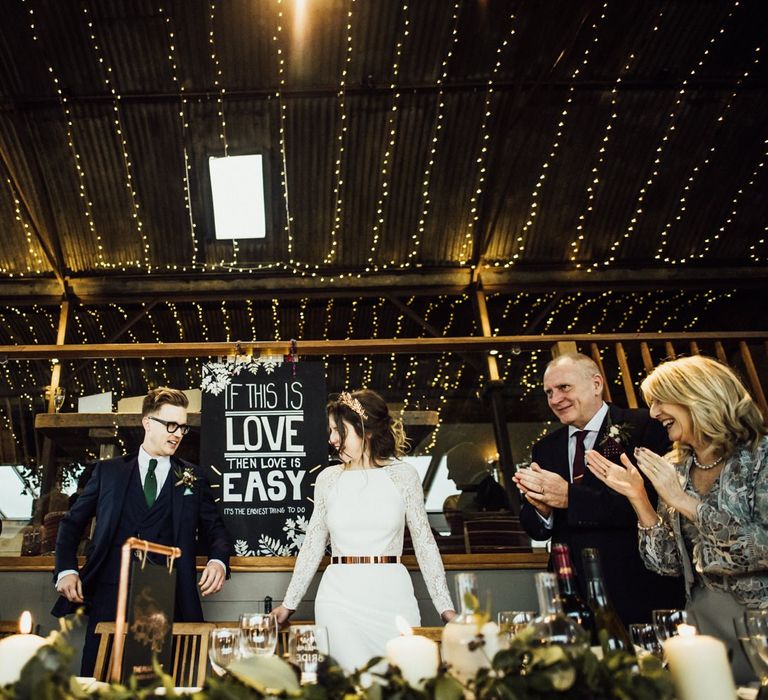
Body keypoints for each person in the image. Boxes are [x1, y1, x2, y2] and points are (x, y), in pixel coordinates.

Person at [586, 355, 767, 683]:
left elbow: (762, 547)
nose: (653, 413)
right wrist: (639, 498)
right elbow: (668, 563)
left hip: (763, 628)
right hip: (707, 629)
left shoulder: (761, 458)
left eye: (659, 401)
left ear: (697, 395)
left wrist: (686, 503)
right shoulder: (676, 467)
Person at [272, 389, 456, 671]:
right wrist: (289, 604)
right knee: (346, 684)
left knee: (401, 681)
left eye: (338, 430)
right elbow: (312, 545)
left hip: (392, 595)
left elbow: (425, 543)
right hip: (338, 600)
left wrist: (446, 608)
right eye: (331, 431)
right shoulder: (327, 479)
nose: (332, 439)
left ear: (365, 429)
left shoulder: (404, 475)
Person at [52, 387, 231, 675]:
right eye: (170, 425)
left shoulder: (193, 477)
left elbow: (216, 530)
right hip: (110, 594)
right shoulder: (108, 472)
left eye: (183, 427)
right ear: (147, 423)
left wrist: (218, 561)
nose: (178, 433)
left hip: (168, 597)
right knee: (100, 680)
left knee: (158, 684)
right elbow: (71, 524)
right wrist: (66, 570)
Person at [513, 352, 684, 625]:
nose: (555, 400)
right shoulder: (546, 448)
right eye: (548, 393)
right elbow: (536, 528)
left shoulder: (645, 426)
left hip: (635, 585)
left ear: (596, 384)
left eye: (564, 388)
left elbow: (654, 505)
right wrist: (542, 510)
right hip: (571, 593)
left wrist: (570, 497)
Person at [446, 442, 511, 513]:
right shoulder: (489, 490)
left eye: (452, 468)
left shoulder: (480, 494)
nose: (449, 476)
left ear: (467, 465)